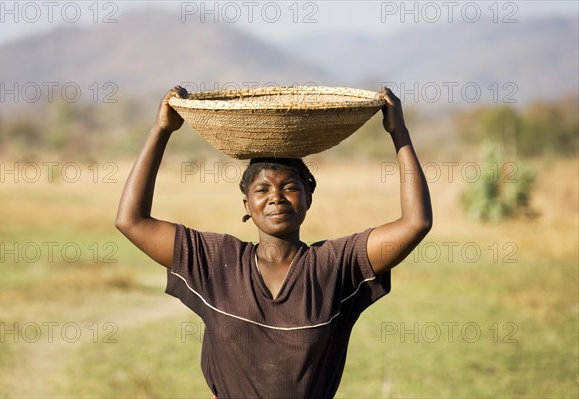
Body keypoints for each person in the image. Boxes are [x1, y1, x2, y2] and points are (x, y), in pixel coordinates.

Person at [115, 85, 432, 398]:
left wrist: (398, 132)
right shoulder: (216, 261)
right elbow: (131, 221)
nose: (276, 198)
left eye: (290, 187)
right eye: (262, 190)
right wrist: (162, 130)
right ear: (246, 205)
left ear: (308, 198)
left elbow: (416, 223)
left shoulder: (334, 265)